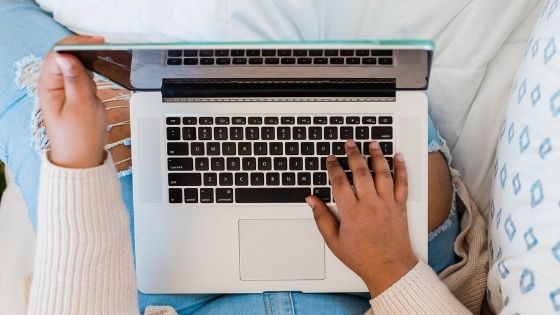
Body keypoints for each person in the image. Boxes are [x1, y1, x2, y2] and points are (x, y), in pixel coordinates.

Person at [0, 1, 488, 314]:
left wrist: (78, 161)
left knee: (21, 38)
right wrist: (392, 268)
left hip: (158, 296)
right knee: (338, 81)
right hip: (381, 282)